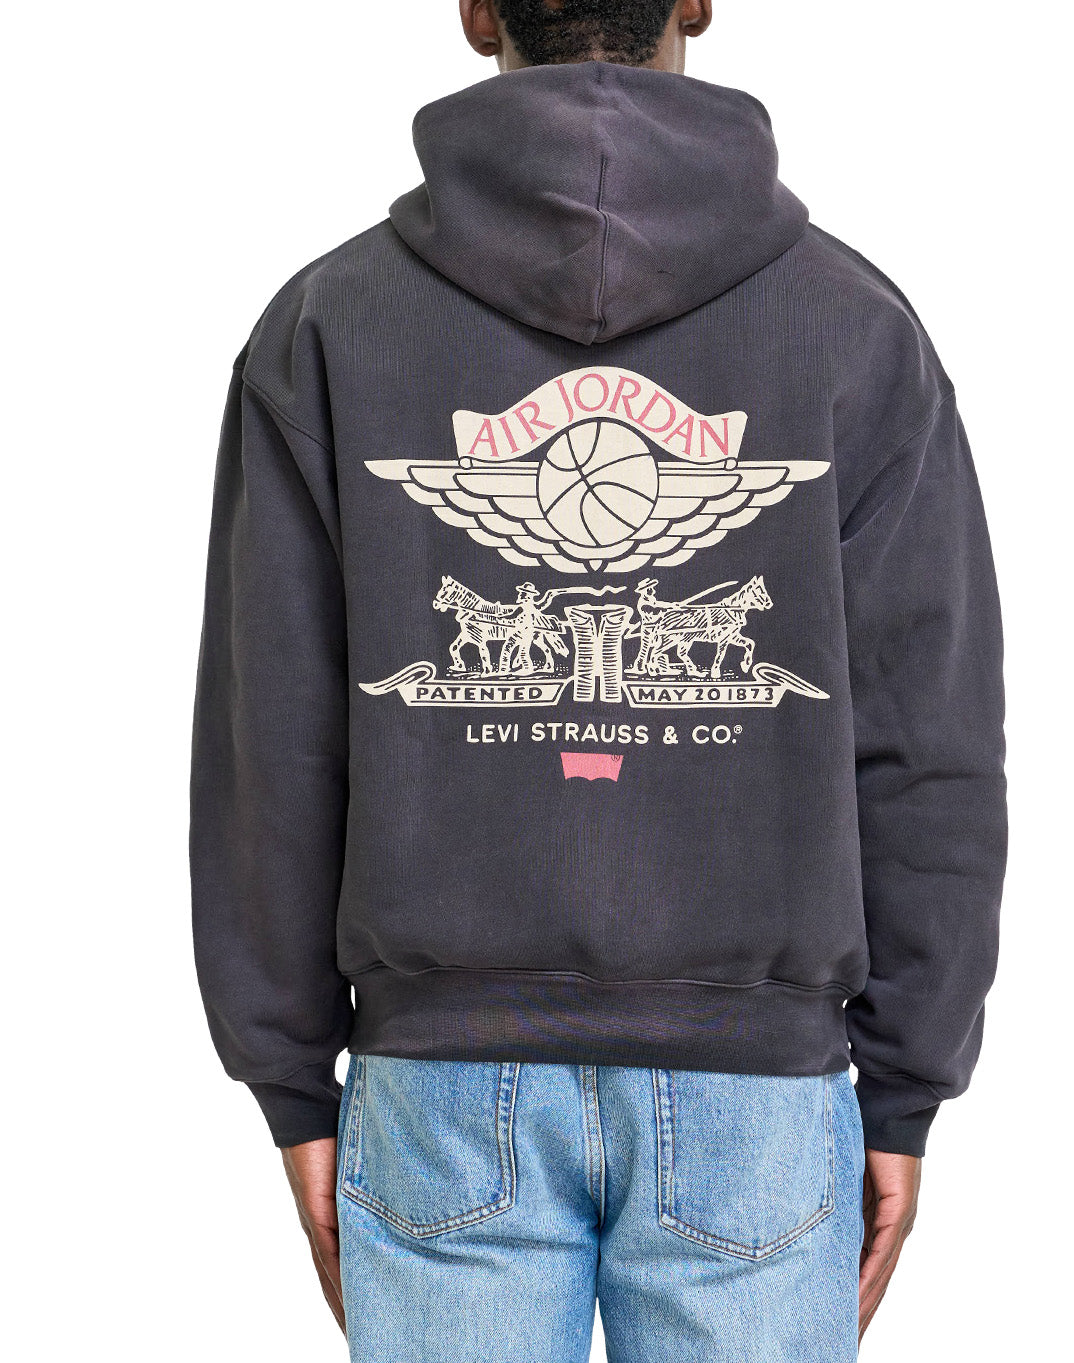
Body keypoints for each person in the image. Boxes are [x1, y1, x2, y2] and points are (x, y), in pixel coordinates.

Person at [190, 1, 1007, 1358]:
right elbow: (930, 742)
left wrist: (289, 1076)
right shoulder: (855, 326)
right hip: (756, 1091)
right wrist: (908, 1082)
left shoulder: (330, 323)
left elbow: (270, 742)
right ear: (697, 0)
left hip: (441, 1084)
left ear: (476, 11)